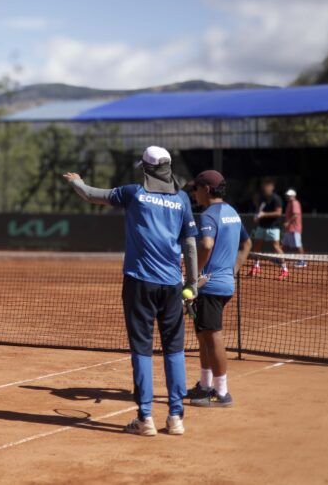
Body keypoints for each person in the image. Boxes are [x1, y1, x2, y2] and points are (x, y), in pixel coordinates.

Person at [63, 145, 199, 437]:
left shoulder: (134, 193)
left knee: (142, 349)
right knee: (174, 349)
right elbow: (189, 244)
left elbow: (91, 195)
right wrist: (192, 283)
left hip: (139, 283)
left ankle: (145, 418)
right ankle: (176, 418)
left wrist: (76, 181)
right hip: (173, 285)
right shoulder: (183, 199)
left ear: (147, 169)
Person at [185, 170, 251, 408]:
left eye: (196, 189)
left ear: (207, 189)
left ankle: (222, 392)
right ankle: (204, 386)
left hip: (209, 286)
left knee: (212, 337)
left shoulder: (208, 215)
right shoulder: (232, 213)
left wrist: (193, 278)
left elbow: (206, 244)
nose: (194, 193)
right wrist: (232, 270)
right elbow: (247, 243)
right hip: (222, 284)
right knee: (204, 337)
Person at [249, 178, 286, 280]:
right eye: (264, 186)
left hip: (273, 227)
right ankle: (256, 265)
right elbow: (259, 210)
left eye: (268, 186)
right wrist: (257, 216)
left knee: (276, 247)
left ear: (272, 187)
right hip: (261, 226)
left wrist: (264, 214)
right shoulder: (262, 198)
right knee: (256, 246)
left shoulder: (276, 199)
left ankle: (284, 269)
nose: (265, 188)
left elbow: (278, 213)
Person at [282, 189, 307, 268]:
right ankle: (279, 259)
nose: (288, 197)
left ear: (294, 196)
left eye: (290, 196)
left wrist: (287, 222)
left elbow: (295, 215)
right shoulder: (289, 203)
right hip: (289, 228)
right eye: (287, 195)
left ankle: (303, 261)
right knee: (283, 245)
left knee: (298, 245)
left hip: (295, 228)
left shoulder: (295, 203)